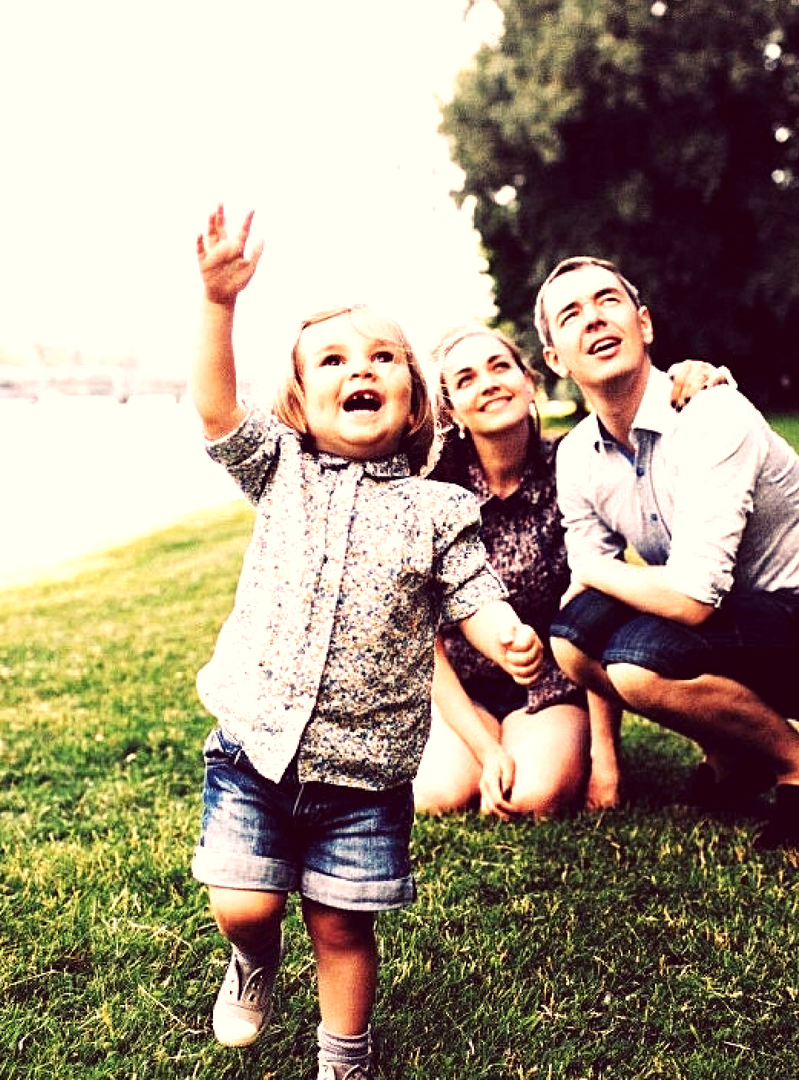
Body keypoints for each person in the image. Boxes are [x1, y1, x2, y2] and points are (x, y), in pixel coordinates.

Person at [189, 205, 544, 1080]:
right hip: (253, 751)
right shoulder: (281, 470)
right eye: (335, 361)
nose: (361, 370)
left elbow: (473, 595)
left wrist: (506, 637)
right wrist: (219, 302)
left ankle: (344, 1057)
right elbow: (215, 407)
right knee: (242, 904)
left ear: (416, 400)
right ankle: (253, 958)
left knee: (343, 926)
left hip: (365, 776)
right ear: (300, 402)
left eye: (384, 358)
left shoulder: (439, 508)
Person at [536, 256, 799, 850]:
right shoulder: (577, 455)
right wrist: (605, 761)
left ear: (644, 324)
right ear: (555, 359)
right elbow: (587, 603)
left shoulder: (711, 412)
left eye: (607, 300)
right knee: (573, 639)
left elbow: (690, 599)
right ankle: (735, 758)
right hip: (746, 617)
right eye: (571, 314)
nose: (594, 319)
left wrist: (591, 570)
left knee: (638, 661)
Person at [413, 324, 728, 817]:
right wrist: (485, 748)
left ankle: (545, 743)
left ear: (529, 381)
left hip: (553, 686)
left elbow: (598, 611)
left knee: (531, 798)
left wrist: (605, 758)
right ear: (451, 410)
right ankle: (484, 745)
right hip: (463, 688)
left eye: (500, 367)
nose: (489, 383)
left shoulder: (576, 464)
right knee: (439, 796)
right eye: (467, 378)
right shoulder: (434, 492)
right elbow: (422, 637)